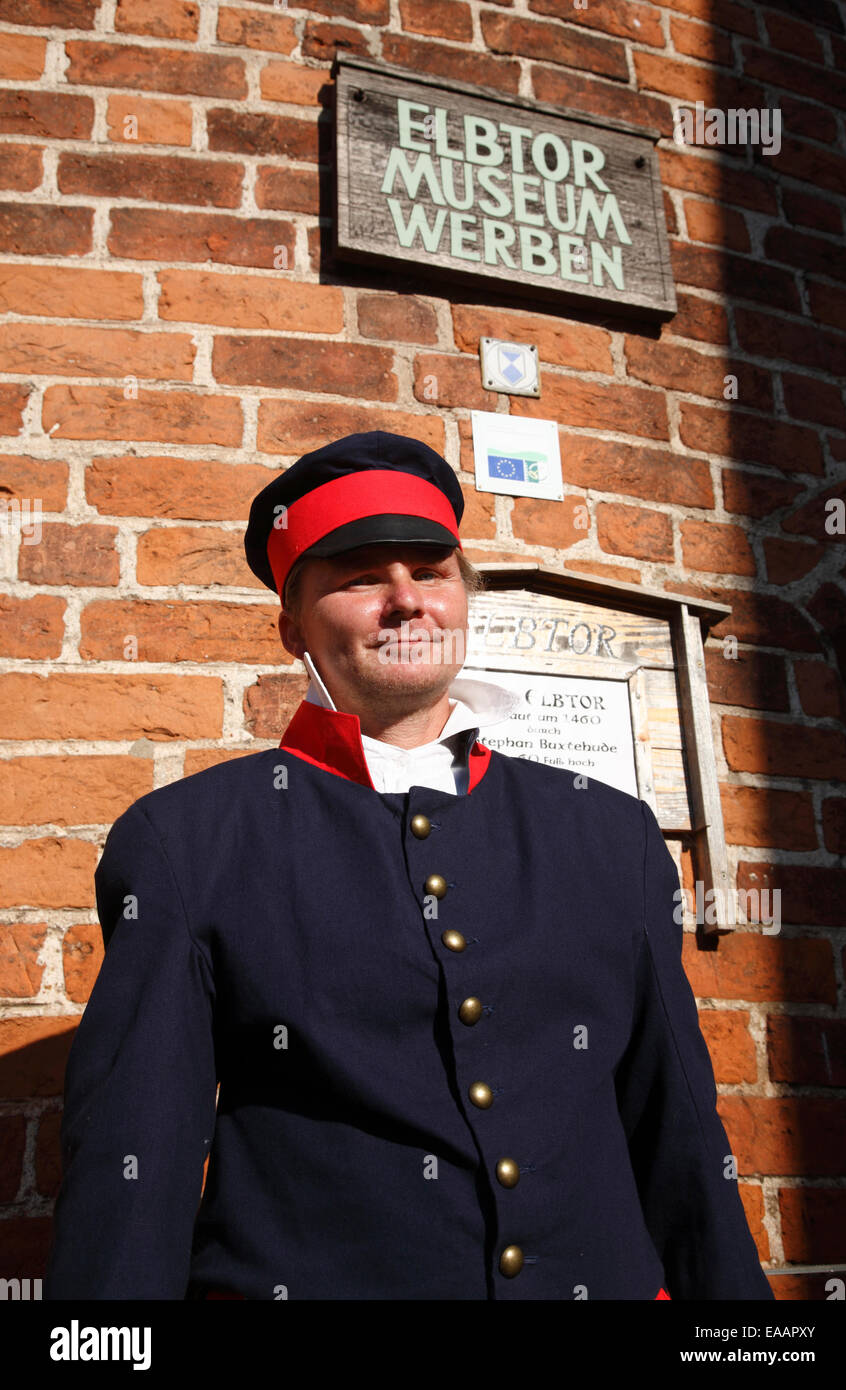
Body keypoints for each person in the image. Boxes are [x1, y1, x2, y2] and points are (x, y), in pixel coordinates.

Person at [44, 430, 773, 1301]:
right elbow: (136, 1161)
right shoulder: (188, 841)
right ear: (290, 627)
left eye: (431, 572)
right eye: (359, 577)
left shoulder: (609, 832)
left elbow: (680, 1131)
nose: (406, 601)